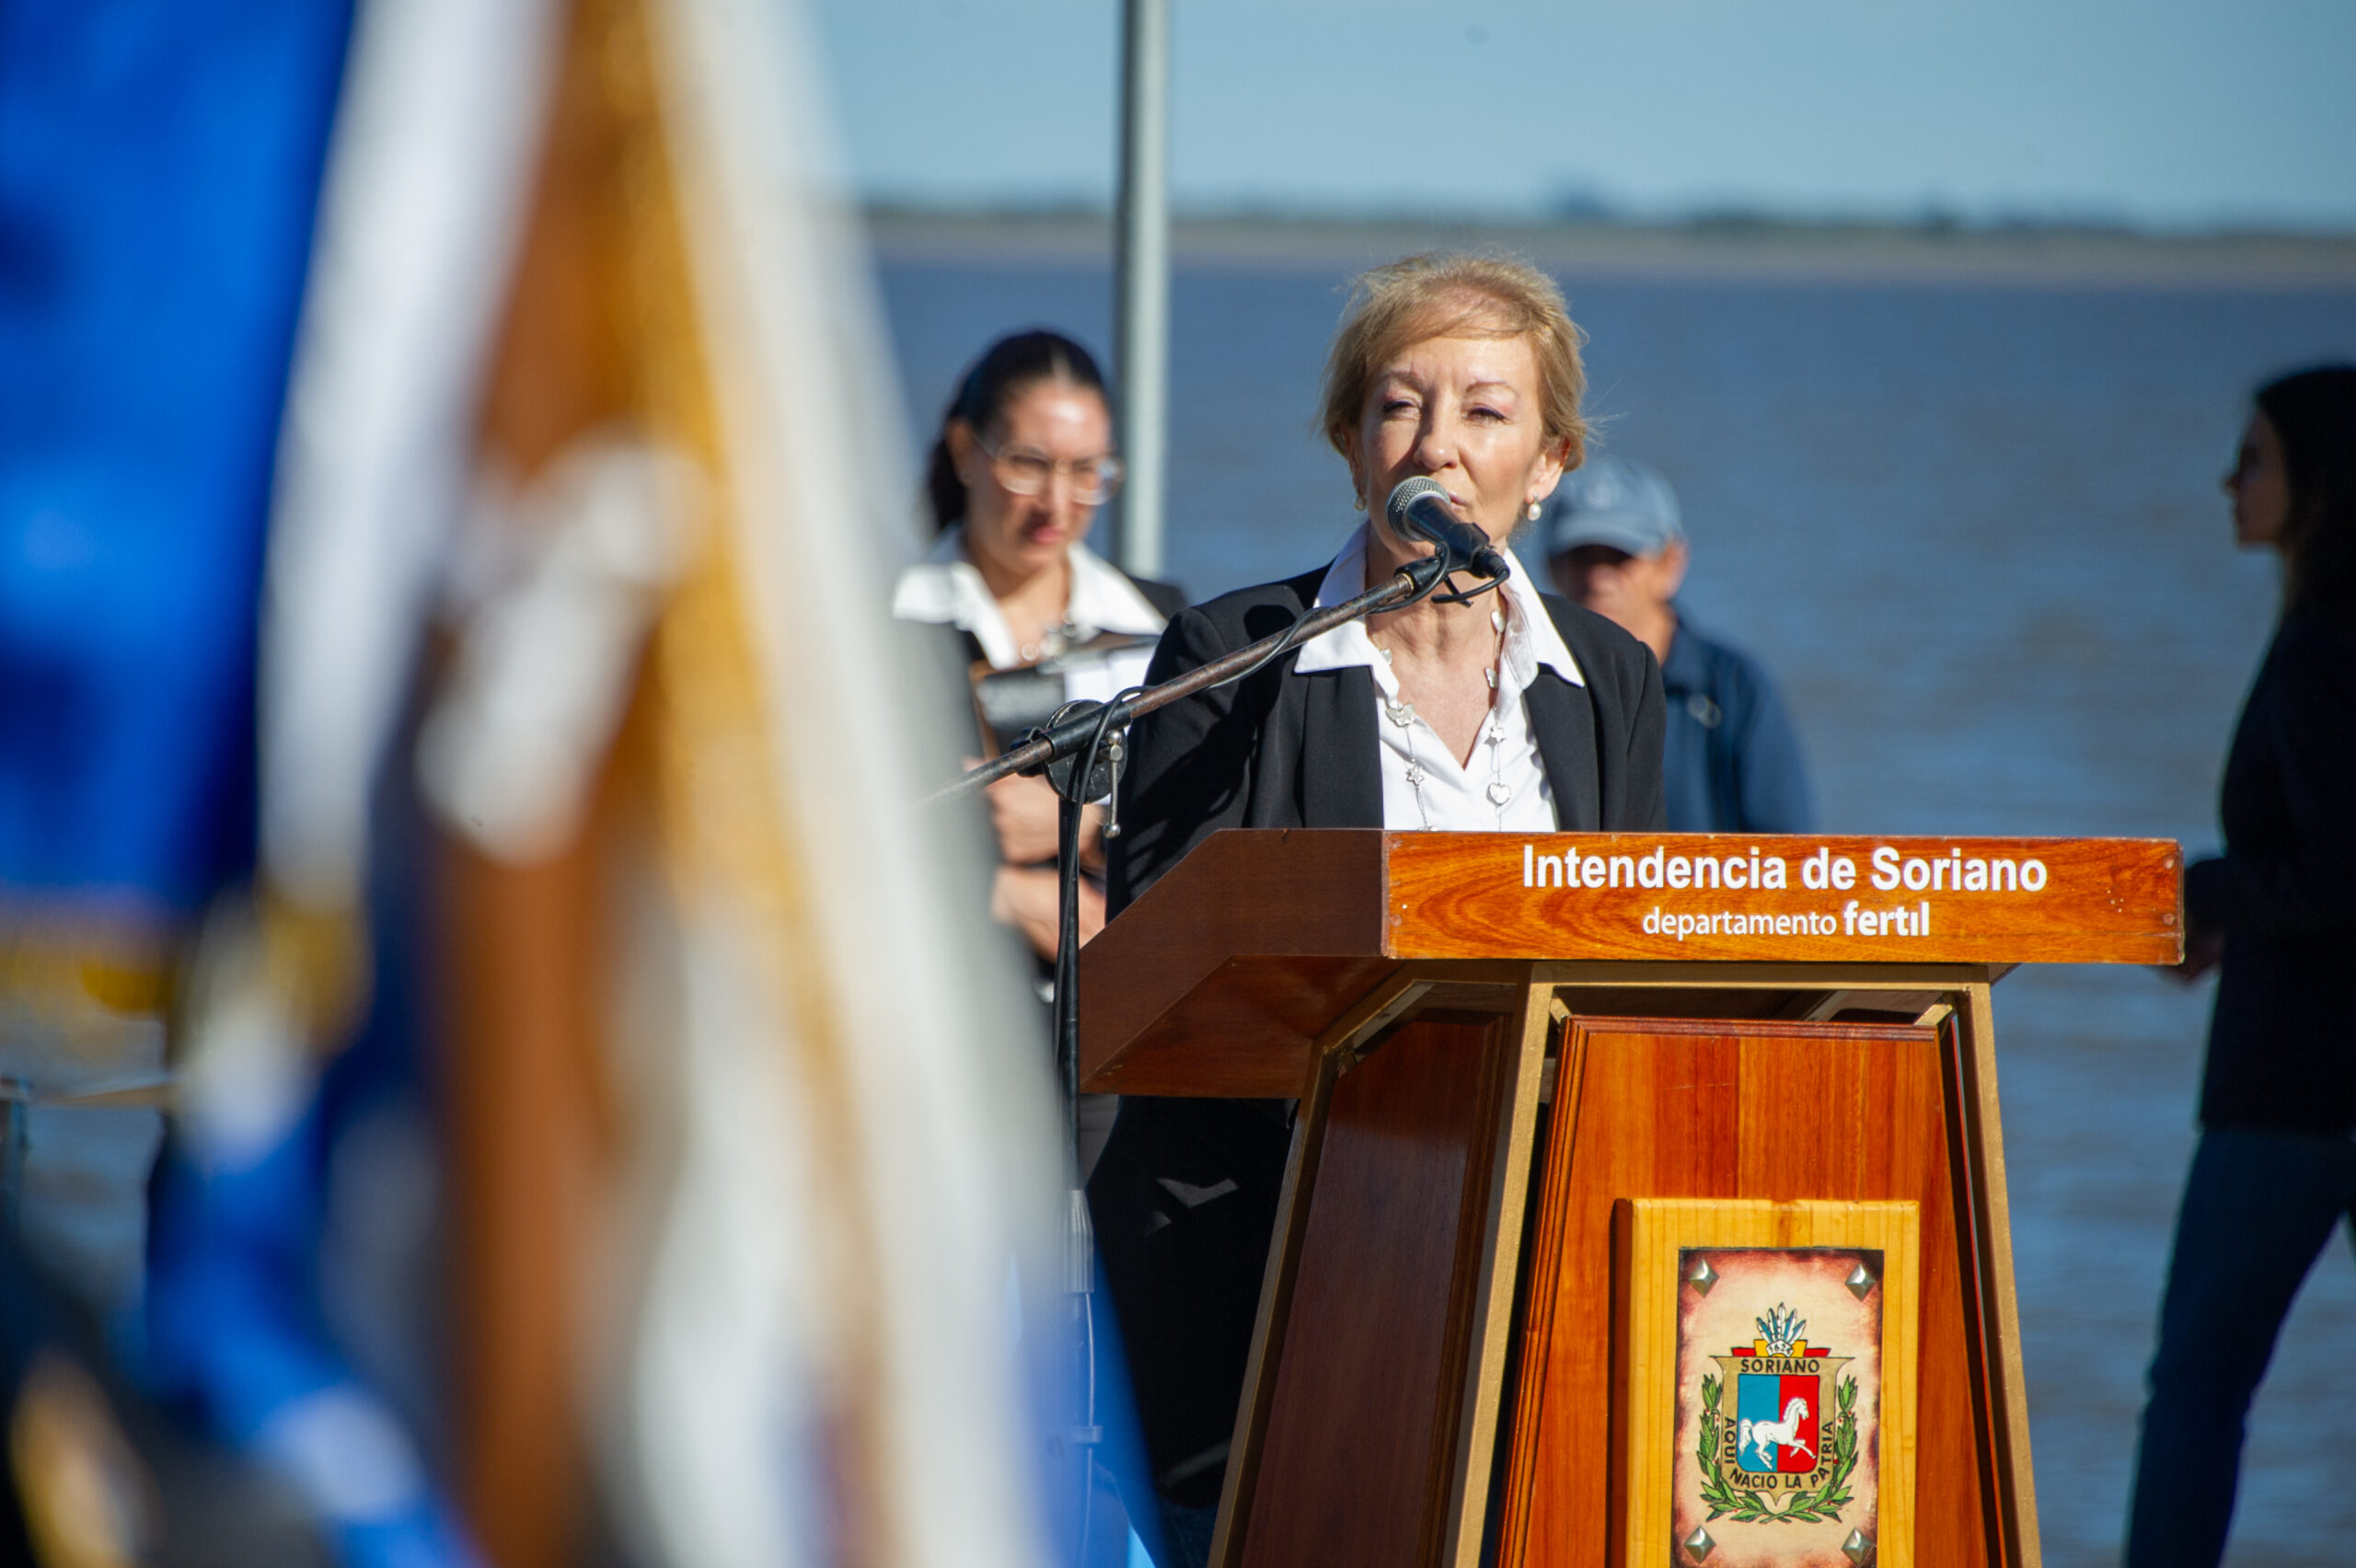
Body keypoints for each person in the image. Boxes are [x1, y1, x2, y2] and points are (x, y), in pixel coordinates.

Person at [1090, 252, 1666, 1563]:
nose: (1436, 445)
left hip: (1529, 1264)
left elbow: (1630, 965)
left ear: (1551, 462)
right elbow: (1163, 987)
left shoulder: (1611, 683)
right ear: (1352, 446)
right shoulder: (1231, 660)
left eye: (1485, 411)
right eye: (1399, 405)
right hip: (1269, 1269)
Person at [2125, 365, 2356, 1568]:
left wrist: (2203, 897)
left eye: (2255, 458)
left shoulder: (2322, 651)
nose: (2228, 481)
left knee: (2199, 1380)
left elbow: (2335, 873)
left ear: (2321, 485)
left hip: (2295, 1083)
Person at [893, 329, 1184, 1172]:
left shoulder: (1162, 630)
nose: (1057, 503)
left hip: (1113, 1038)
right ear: (964, 451)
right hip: (932, 1039)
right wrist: (1002, 894)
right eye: (1028, 464)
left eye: (1088, 471)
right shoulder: (881, 627)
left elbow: (1205, 834)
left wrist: (1084, 829)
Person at [1542, 455, 1813, 833]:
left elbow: (1788, 851)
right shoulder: (1528, 682)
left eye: (1620, 557)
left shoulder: (1735, 690)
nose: (1599, 579)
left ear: (1670, 562)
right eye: (1582, 557)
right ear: (1552, 567)